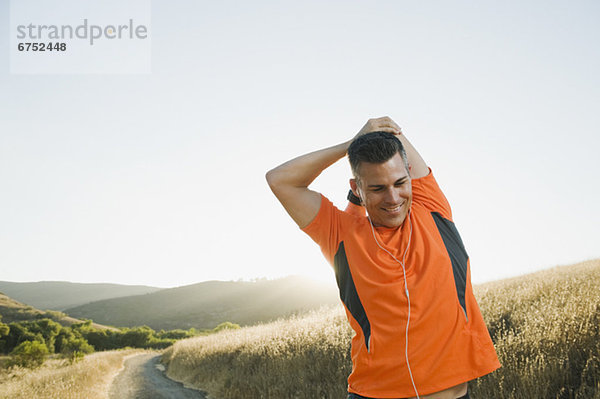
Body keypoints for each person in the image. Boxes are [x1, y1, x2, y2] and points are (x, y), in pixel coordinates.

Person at [266, 116, 500, 399]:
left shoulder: (431, 207)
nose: (393, 198)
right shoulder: (339, 233)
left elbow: (391, 130)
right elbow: (280, 180)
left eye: (400, 182)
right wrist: (351, 144)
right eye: (377, 188)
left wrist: (371, 138)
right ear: (357, 189)